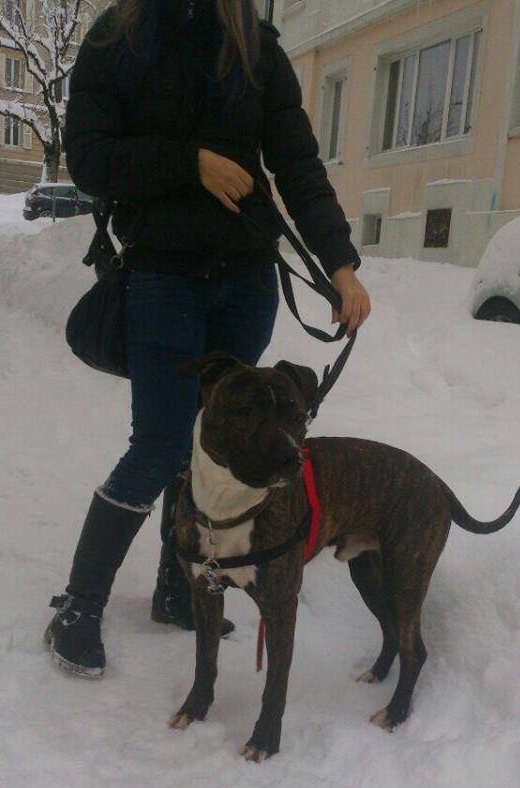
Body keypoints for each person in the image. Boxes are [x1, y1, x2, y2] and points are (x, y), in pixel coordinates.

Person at [46, 0, 371, 678]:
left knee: (207, 447)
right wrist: (188, 162)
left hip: (246, 277)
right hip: (163, 275)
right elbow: (90, 159)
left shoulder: (254, 44)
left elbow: (298, 161)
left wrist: (340, 264)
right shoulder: (119, 37)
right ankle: (79, 605)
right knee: (162, 442)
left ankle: (177, 586)